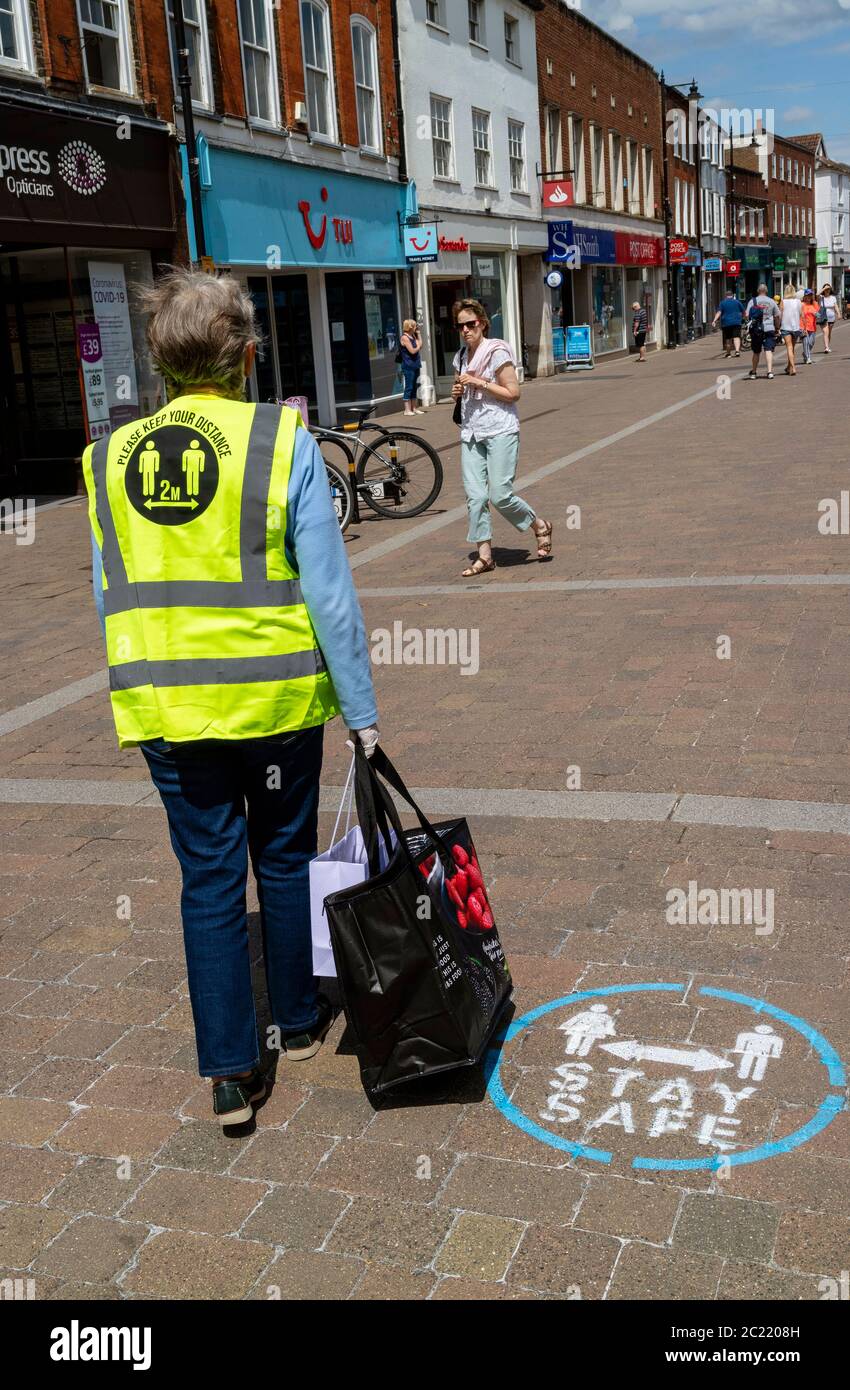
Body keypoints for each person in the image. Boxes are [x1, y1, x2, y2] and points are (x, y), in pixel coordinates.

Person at [82, 269, 379, 1129]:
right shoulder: (281, 444)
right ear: (245, 357)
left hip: (170, 709)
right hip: (275, 703)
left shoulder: (106, 459)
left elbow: (110, 595)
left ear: (162, 361)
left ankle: (226, 1072)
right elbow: (329, 592)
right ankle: (295, 1018)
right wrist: (359, 708)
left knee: (208, 878)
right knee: (282, 857)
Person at [451, 297, 552, 577]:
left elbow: (513, 393)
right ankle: (485, 556)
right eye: (460, 326)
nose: (465, 330)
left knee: (500, 495)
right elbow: (462, 393)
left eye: (470, 324)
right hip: (471, 431)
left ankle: (539, 525)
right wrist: (457, 392)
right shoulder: (459, 357)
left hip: (500, 429)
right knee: (475, 496)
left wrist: (480, 382)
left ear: (482, 323)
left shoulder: (497, 351)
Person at [744, 283, 781, 380]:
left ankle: (754, 372)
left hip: (757, 330)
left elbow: (746, 315)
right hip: (769, 329)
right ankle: (769, 372)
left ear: (758, 291)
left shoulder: (753, 301)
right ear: (766, 291)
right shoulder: (771, 301)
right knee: (768, 350)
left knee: (756, 352)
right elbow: (777, 316)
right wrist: (777, 328)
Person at [399, 318, 424, 416]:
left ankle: (414, 408)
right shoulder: (405, 338)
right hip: (408, 365)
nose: (416, 327)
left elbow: (420, 346)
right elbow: (412, 351)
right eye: (414, 326)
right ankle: (407, 410)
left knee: (414, 386)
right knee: (409, 387)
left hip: (415, 364)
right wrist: (418, 346)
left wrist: (419, 334)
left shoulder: (412, 335)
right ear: (410, 327)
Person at [711, 289, 744, 357]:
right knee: (736, 337)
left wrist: (714, 320)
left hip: (726, 323)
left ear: (726, 296)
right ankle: (737, 351)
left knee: (728, 338)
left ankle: (728, 353)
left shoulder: (722, 303)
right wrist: (744, 318)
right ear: (732, 295)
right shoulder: (737, 302)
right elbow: (743, 311)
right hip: (736, 322)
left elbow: (719, 312)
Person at [779, 284, 803, 375]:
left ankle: (793, 368)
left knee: (789, 347)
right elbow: (801, 314)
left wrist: (778, 326)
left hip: (786, 327)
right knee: (792, 348)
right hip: (796, 327)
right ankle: (789, 367)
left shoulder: (783, 301)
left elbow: (780, 315)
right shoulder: (798, 301)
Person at [800, 288, 818, 365]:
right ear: (805, 296)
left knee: (812, 342)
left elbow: (818, 313)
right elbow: (799, 315)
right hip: (804, 326)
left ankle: (805, 353)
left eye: (811, 295)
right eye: (808, 295)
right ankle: (808, 358)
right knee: (806, 343)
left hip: (812, 326)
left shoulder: (814, 304)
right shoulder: (801, 304)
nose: (809, 297)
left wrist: (817, 315)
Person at [819, 283, 838, 352]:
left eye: (828, 289)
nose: (827, 290)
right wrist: (824, 288)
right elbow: (817, 294)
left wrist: (838, 313)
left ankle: (827, 346)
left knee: (829, 333)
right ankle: (826, 347)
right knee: (825, 332)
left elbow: (835, 306)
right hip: (823, 317)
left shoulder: (833, 297)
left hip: (831, 317)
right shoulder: (821, 297)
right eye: (826, 289)